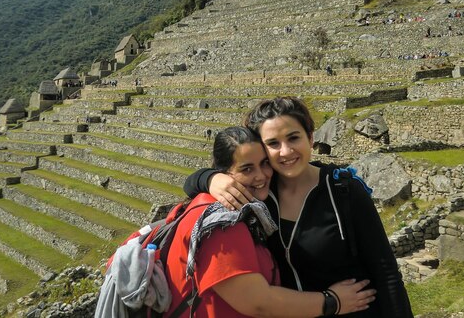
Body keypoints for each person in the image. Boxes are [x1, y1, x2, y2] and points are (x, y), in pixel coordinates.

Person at [184, 98, 413, 317]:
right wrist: (211, 178)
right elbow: (191, 183)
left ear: (311, 138)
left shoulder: (344, 190)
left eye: (293, 138)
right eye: (273, 143)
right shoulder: (261, 191)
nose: (285, 151)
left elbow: (387, 274)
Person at [165, 126, 376, 317]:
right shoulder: (222, 223)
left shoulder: (245, 208)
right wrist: (333, 302)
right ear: (224, 174)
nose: (261, 176)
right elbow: (258, 303)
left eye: (265, 163)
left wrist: (207, 178)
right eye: (247, 169)